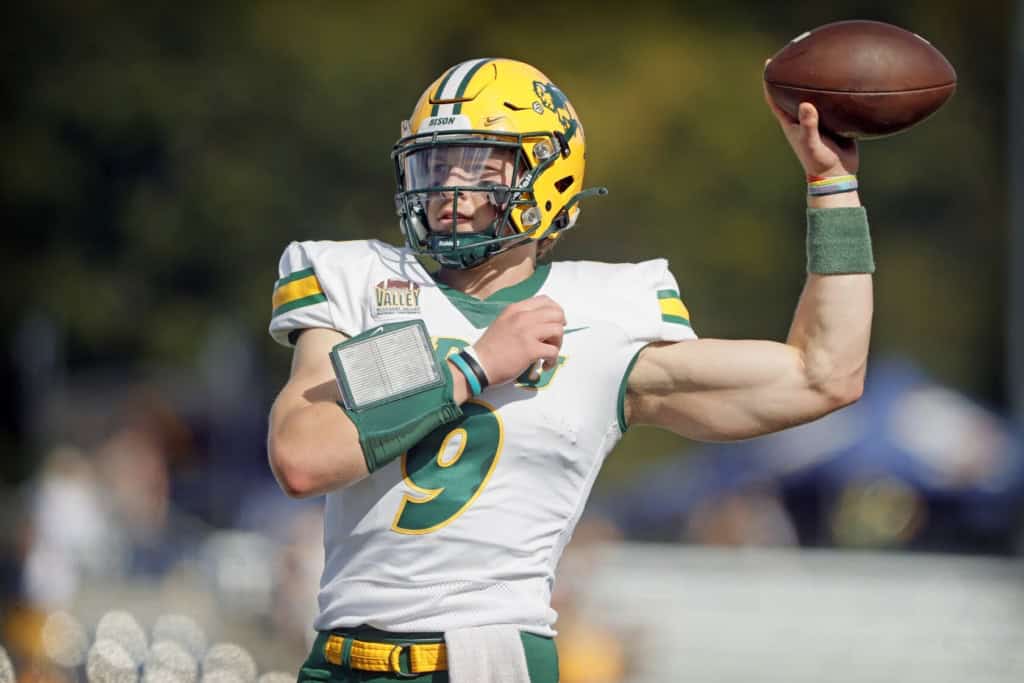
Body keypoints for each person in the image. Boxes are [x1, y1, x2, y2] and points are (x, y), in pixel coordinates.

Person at [266, 57, 872, 682]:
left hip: (489, 660)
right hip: (338, 658)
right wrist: (471, 367)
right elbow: (303, 454)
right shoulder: (363, 281)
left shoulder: (605, 314)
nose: (449, 184)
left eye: (476, 161)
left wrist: (833, 188)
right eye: (435, 161)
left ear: (546, 173)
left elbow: (825, 375)